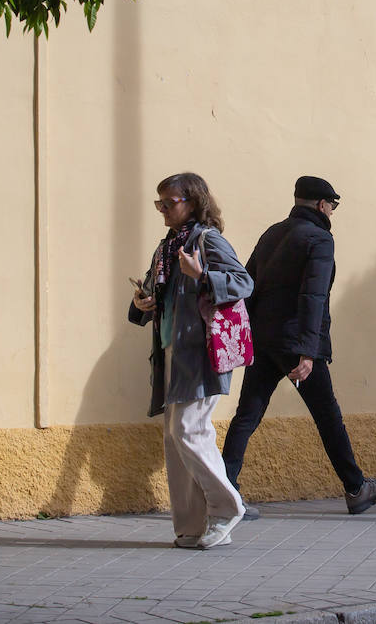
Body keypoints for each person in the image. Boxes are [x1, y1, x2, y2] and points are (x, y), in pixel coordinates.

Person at [222, 176, 376, 515]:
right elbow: (313, 296)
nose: (332, 211)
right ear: (322, 205)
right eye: (332, 205)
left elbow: (248, 287)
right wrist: (308, 351)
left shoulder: (272, 233)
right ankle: (356, 488)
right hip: (295, 343)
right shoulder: (319, 239)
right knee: (327, 415)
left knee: (247, 413)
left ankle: (225, 488)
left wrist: (252, 337)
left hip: (264, 339)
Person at [129, 172, 254, 549]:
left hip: (200, 353)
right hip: (170, 354)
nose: (163, 210)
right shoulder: (167, 248)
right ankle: (191, 527)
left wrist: (203, 276)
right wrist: (140, 303)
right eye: (159, 204)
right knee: (175, 438)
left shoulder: (207, 240)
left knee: (188, 429)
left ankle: (227, 507)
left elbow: (243, 282)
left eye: (170, 202)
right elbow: (152, 291)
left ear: (193, 202)